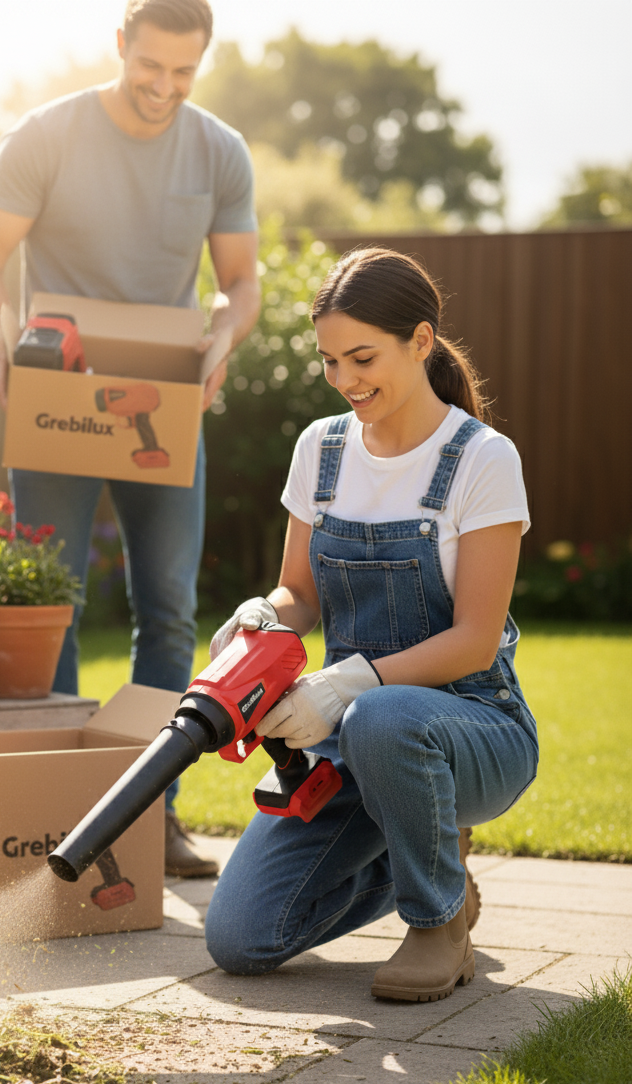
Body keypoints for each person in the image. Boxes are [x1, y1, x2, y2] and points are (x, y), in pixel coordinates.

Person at [0, 0, 260, 878]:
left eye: (184, 73)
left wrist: (223, 337)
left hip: (160, 400)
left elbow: (239, 281)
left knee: (167, 608)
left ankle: (149, 815)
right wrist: (0, 327)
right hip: (60, 388)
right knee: (55, 600)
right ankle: (51, 812)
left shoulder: (219, 150)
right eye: (150, 67)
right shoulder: (44, 136)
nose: (165, 88)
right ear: (120, 44)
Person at [204, 247, 539, 1001]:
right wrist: (261, 616)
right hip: (349, 736)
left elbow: (475, 641)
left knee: (383, 718)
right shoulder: (319, 450)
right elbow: (299, 592)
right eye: (329, 362)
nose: (345, 381)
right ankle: (429, 856)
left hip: (473, 727)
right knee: (241, 938)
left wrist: (351, 681)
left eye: (362, 357)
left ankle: (438, 924)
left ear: (420, 341)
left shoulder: (482, 460)